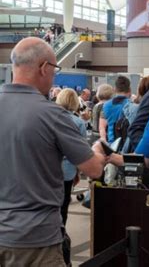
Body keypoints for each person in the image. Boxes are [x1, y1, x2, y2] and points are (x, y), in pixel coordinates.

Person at [0, 37, 121, 266]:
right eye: (55, 69)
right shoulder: (52, 115)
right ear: (44, 68)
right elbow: (94, 169)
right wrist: (96, 148)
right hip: (36, 240)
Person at [55, 88, 87, 226]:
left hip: (47, 169)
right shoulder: (78, 123)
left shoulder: (48, 118)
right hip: (68, 170)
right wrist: (78, 172)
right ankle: (61, 235)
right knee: (63, 205)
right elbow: (81, 151)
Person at [100, 76, 131, 143]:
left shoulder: (106, 105)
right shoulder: (132, 105)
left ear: (115, 89)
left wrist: (104, 142)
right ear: (129, 89)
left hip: (111, 142)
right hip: (127, 144)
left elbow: (102, 127)